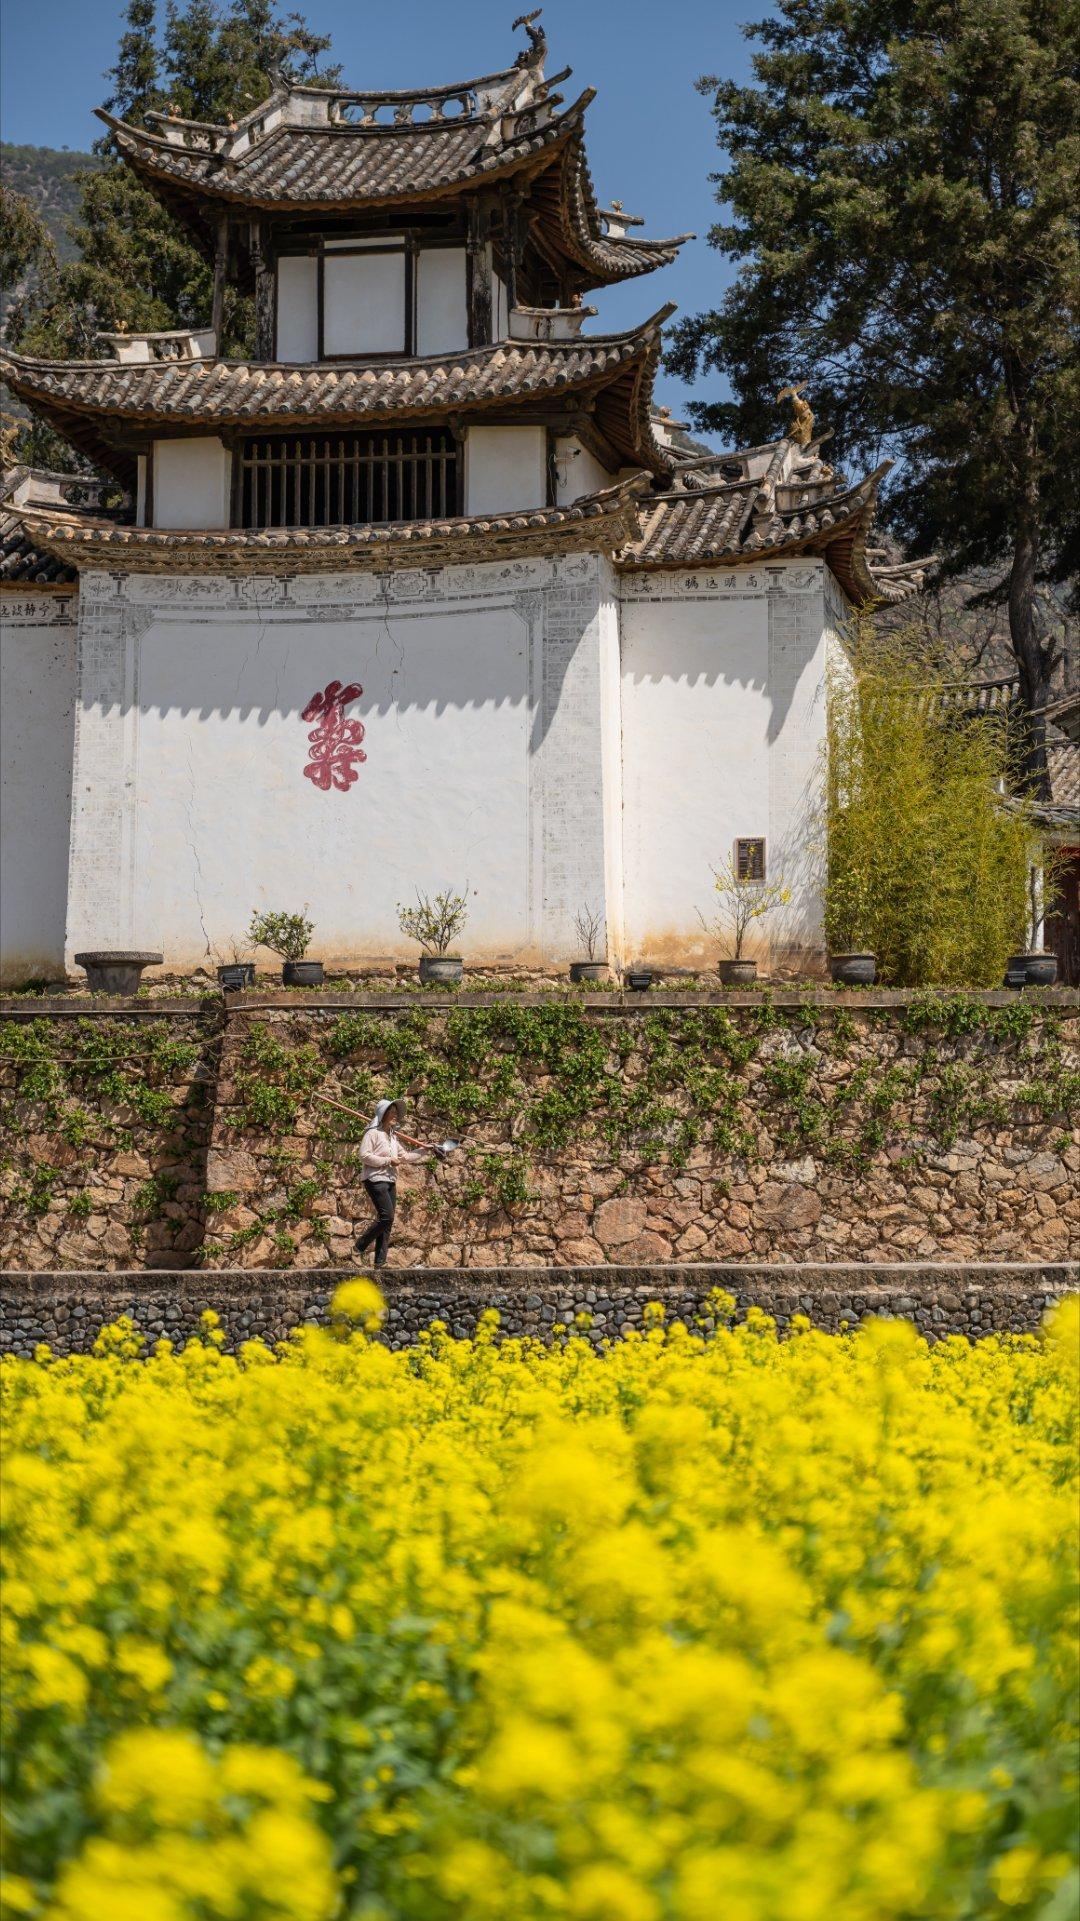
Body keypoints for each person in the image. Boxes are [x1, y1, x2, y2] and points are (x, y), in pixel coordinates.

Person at [355, 1099, 431, 1268]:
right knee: (386, 1217)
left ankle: (380, 1263)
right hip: (375, 1179)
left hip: (390, 1181)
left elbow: (405, 1157)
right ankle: (360, 1245)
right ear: (383, 1113)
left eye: (397, 1112)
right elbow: (364, 1155)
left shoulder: (392, 1137)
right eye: (393, 1111)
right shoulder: (372, 1134)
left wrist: (425, 1149)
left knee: (387, 1222)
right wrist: (388, 1160)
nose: (396, 1115)